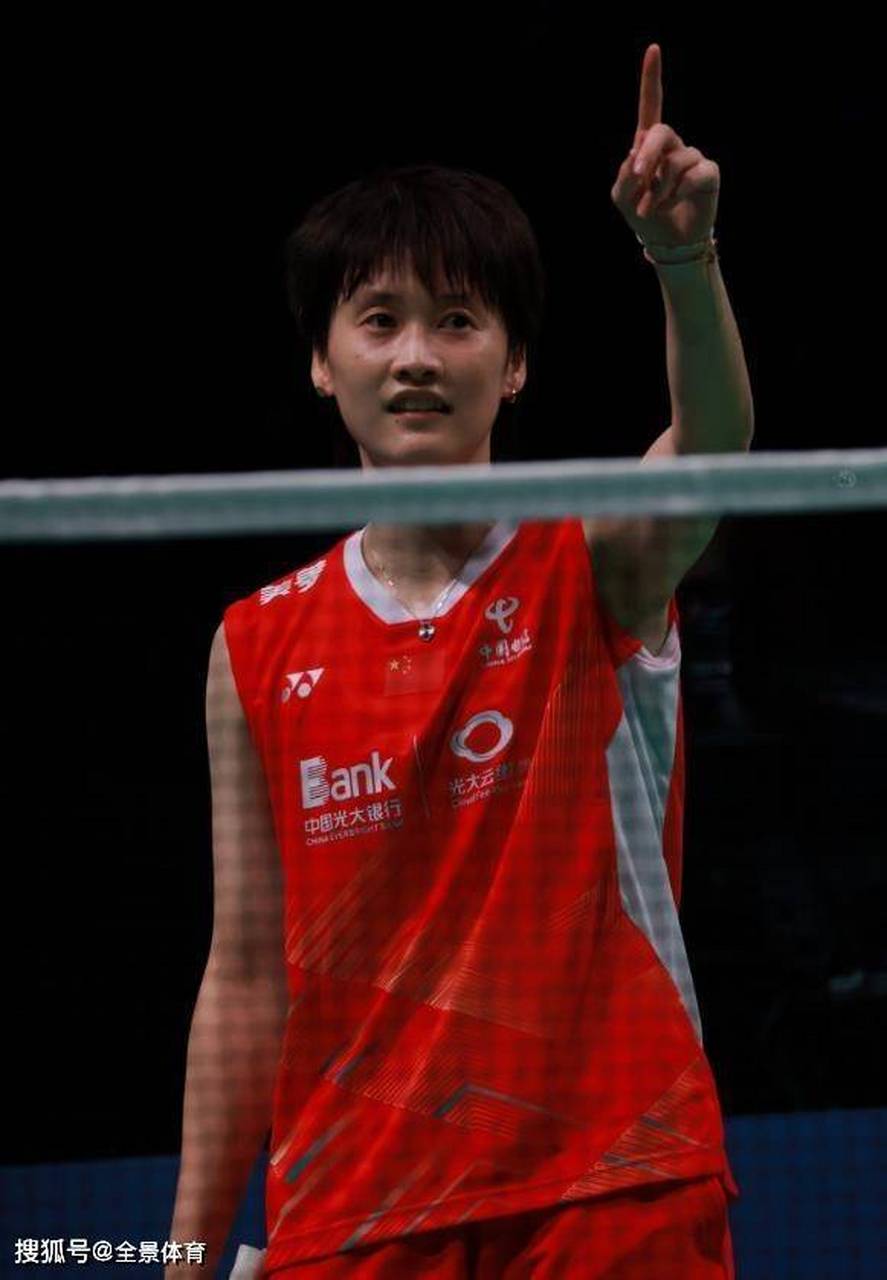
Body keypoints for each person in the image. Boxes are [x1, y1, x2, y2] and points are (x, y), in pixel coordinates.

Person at [166, 42, 754, 1280]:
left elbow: (710, 445)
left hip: (608, 1176)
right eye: (378, 320)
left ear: (514, 360)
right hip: (353, 1214)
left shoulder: (592, 557)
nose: (417, 357)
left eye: (456, 320)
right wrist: (184, 1249)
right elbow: (245, 967)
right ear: (322, 360)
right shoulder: (256, 642)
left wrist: (682, 262)